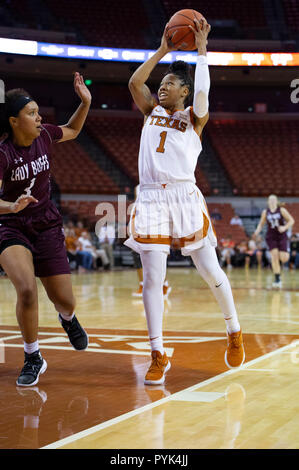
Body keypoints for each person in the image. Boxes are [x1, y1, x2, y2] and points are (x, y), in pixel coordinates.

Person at [124, 18, 245, 386]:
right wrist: (163, 50)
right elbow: (134, 82)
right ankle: (157, 353)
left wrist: (203, 51)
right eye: (161, 84)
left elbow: (204, 94)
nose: (162, 88)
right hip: (149, 198)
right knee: (152, 279)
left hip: (184, 196)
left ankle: (234, 330)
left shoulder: (194, 118)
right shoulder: (150, 111)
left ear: (185, 92)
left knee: (210, 271)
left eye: (171, 84)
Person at [0, 73, 91, 386]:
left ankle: (67, 319)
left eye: (39, 112)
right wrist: (11, 207)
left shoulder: (46, 136)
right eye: (31, 113)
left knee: (65, 300)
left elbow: (75, 129)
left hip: (46, 224)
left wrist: (86, 101)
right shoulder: (2, 153)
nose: (39, 118)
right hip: (9, 225)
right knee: (26, 289)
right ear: (13, 121)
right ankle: (32, 355)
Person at [253, 194, 294, 288]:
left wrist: (284, 227)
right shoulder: (265, 212)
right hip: (271, 236)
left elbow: (291, 220)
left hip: (281, 235)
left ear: (276, 201)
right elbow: (261, 224)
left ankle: (281, 260)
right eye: (270, 199)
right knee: (274, 257)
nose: (271, 201)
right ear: (268, 201)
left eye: (273, 199)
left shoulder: (282, 210)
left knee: (284, 258)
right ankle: (277, 278)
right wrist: (256, 232)